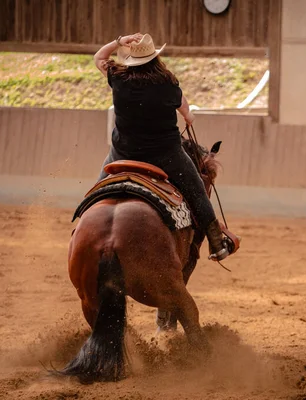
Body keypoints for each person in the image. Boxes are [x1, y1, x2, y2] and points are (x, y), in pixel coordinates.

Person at [93, 33, 233, 261]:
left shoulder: (117, 77)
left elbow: (99, 56)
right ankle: (217, 243)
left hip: (122, 154)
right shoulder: (167, 82)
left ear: (130, 58)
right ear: (154, 57)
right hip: (165, 156)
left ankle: (82, 226)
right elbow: (184, 107)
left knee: (98, 192)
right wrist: (188, 116)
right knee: (197, 191)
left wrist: (119, 41)